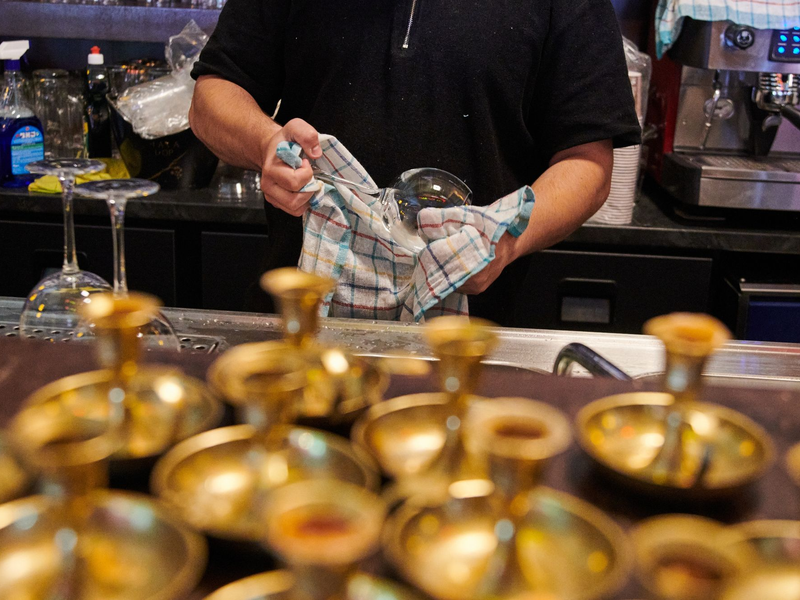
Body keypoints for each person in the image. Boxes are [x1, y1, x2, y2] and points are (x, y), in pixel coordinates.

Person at [189, 0, 641, 325]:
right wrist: (266, 142)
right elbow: (212, 98)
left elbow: (588, 163)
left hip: (475, 336)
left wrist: (503, 243)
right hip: (302, 321)